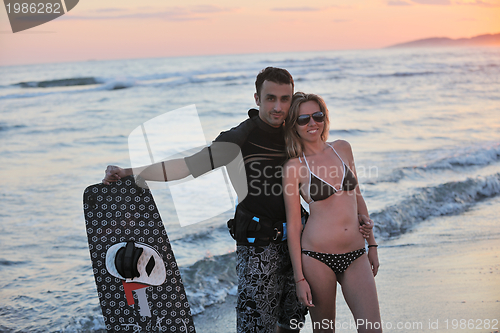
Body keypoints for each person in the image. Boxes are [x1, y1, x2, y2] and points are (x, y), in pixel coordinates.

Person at [103, 68, 373, 333]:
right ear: (257, 98)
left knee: (291, 322)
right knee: (255, 326)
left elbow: (333, 174)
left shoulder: (298, 131)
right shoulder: (238, 139)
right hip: (259, 245)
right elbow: (187, 166)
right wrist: (131, 172)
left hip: (301, 243)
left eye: (284, 98)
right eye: (270, 98)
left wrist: (359, 221)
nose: (278, 107)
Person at [282, 92, 381, 333]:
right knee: (325, 330)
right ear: (294, 125)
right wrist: (299, 279)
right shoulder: (294, 167)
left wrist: (372, 243)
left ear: (325, 118)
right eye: (303, 119)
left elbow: (357, 196)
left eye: (317, 116)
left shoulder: (342, 148)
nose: (312, 123)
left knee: (372, 329)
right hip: (317, 259)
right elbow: (294, 227)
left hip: (356, 254)